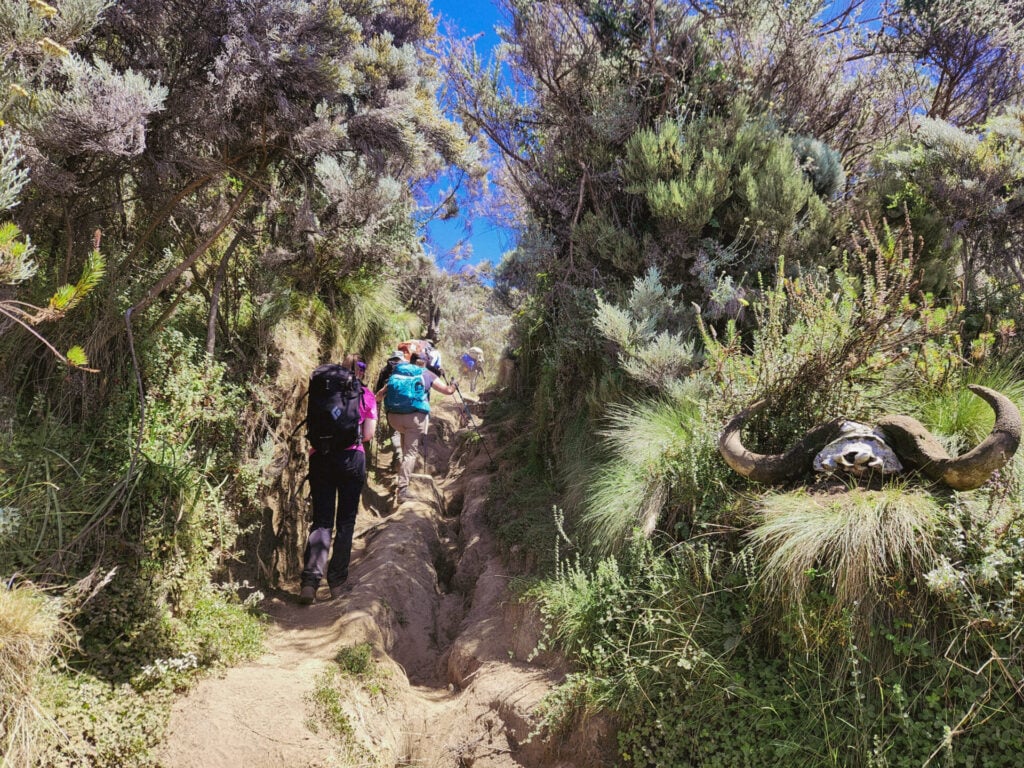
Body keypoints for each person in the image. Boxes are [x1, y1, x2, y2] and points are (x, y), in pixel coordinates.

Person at [299, 353, 376, 604]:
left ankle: (310, 582)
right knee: (345, 521)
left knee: (321, 521)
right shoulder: (365, 394)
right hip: (351, 459)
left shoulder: (322, 388)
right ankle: (337, 583)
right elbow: (368, 435)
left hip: (320, 457)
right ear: (360, 371)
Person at [375, 354, 456, 501]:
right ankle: (402, 490)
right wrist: (454, 385)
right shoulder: (426, 373)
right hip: (415, 418)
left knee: (404, 442)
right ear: (424, 363)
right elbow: (448, 391)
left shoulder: (398, 372)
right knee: (410, 454)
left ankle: (400, 471)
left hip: (394, 418)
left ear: (410, 362)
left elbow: (379, 396)